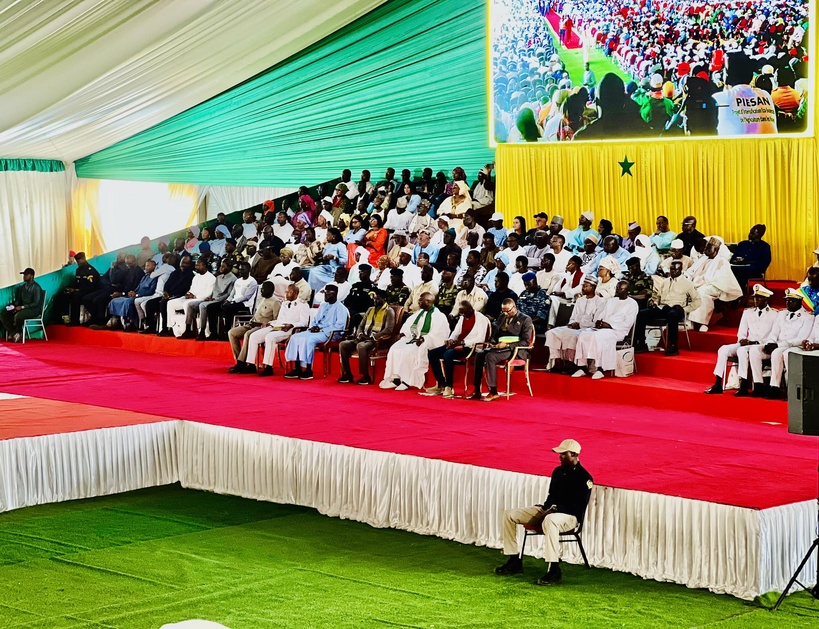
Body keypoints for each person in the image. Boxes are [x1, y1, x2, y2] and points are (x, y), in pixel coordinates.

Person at [495, 438, 593, 586]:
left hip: (570, 517)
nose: (559, 456)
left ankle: (554, 569)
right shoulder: (558, 472)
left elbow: (578, 507)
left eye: (563, 453)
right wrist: (545, 509)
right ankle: (514, 560)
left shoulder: (585, 478)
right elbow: (551, 496)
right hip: (550, 511)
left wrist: (553, 510)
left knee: (550, 520)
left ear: (573, 454)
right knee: (510, 514)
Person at [704, 284, 778, 396]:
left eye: (759, 298)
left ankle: (743, 384)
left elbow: (774, 335)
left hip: (762, 345)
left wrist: (755, 343)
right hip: (748, 343)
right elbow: (742, 332)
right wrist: (742, 339)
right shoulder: (748, 312)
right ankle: (718, 383)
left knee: (742, 351)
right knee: (723, 349)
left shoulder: (775, 314)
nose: (755, 300)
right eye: (755, 297)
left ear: (766, 299)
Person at [747, 288, 813, 399]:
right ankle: (759, 385)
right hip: (777, 345)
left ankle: (777, 387)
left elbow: (801, 338)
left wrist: (778, 345)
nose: (787, 303)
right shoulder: (782, 314)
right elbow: (774, 332)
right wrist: (770, 343)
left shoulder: (808, 317)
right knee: (754, 350)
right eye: (786, 300)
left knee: (777, 353)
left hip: (794, 346)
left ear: (799, 302)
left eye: (791, 301)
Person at [380, 292, 449, 391]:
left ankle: (407, 381)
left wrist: (425, 338)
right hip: (413, 339)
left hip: (426, 342)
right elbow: (409, 325)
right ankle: (396, 379)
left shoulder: (439, 316)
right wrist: (404, 333)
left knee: (409, 352)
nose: (418, 302)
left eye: (421, 300)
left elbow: (440, 334)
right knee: (395, 348)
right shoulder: (419, 313)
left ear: (428, 301)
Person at [572, 281, 638, 379]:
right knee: (583, 334)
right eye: (617, 287)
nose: (617, 290)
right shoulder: (611, 301)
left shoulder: (632, 304)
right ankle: (582, 367)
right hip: (603, 328)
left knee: (598, 337)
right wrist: (600, 322)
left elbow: (628, 323)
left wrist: (610, 325)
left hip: (617, 331)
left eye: (620, 288)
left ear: (627, 291)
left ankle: (600, 369)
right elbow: (602, 315)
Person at [471, 298, 533, 401]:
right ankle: (477, 389)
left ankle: (493, 391)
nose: (505, 314)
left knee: (490, 357)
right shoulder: (502, 317)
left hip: (515, 349)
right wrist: (493, 343)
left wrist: (507, 345)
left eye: (508, 311)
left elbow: (526, 341)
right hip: (500, 347)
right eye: (503, 311)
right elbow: (496, 334)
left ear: (514, 307)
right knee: (480, 355)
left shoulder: (525, 319)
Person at [426, 300, 491, 398]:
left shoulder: (481, 319)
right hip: (458, 344)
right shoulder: (462, 318)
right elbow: (456, 332)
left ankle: (449, 386)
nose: (463, 315)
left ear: (471, 309)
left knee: (448, 354)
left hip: (471, 347)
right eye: (461, 312)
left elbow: (480, 338)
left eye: (464, 312)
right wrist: (450, 340)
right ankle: (441, 384)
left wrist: (463, 343)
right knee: (432, 353)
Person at [634, 261, 700, 356]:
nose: (673, 271)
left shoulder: (687, 283)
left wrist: (685, 309)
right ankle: (641, 342)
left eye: (675, 269)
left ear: (680, 270)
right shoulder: (664, 282)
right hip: (662, 307)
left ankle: (673, 345)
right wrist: (654, 302)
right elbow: (657, 296)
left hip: (677, 308)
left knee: (672, 315)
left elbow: (697, 300)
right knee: (641, 313)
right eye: (671, 269)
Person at [284, 284, 349, 380]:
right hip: (317, 331)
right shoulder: (323, 305)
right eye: (325, 293)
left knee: (309, 340)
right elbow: (315, 320)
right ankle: (297, 369)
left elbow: (339, 326)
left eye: (327, 294)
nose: (325, 296)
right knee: (295, 337)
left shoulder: (341, 308)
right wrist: (314, 326)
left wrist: (322, 329)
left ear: (334, 294)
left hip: (330, 334)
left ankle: (309, 370)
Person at [339, 288, 396, 385]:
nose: (375, 301)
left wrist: (373, 337)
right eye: (374, 299)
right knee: (343, 344)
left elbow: (388, 329)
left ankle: (365, 376)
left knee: (361, 346)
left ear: (384, 299)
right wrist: (360, 334)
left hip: (376, 341)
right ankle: (347, 374)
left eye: (378, 299)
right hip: (363, 337)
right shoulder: (370, 309)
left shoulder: (389, 311)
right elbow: (361, 325)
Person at [546, 277, 605, 373]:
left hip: (588, 329)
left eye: (586, 286)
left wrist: (580, 325)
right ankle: (558, 362)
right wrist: (572, 324)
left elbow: (596, 322)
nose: (583, 288)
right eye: (583, 285)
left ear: (593, 287)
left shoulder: (600, 302)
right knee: (552, 333)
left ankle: (572, 364)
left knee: (573, 335)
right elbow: (573, 317)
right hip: (574, 326)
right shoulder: (580, 300)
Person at [686, 238, 743, 331]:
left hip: (715, 286)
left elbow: (720, 279)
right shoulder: (703, 259)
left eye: (709, 248)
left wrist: (700, 283)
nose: (706, 250)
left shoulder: (722, 261)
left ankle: (701, 323)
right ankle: (689, 322)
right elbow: (691, 271)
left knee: (701, 292)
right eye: (706, 248)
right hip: (699, 283)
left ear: (716, 250)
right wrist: (688, 277)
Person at [255, 284, 312, 376]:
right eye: (286, 292)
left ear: (296, 293)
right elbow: (280, 319)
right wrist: (271, 323)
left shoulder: (303, 305)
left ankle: (268, 367)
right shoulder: (284, 303)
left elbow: (304, 322)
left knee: (270, 337)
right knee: (257, 335)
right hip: (279, 327)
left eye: (289, 292)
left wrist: (292, 325)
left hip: (291, 330)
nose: (287, 294)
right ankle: (252, 364)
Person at [226, 281, 282, 373]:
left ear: (270, 290)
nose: (261, 291)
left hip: (262, 327)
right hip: (252, 324)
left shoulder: (275, 302)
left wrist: (262, 324)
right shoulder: (261, 299)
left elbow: (276, 321)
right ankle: (239, 360)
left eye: (263, 289)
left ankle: (241, 363)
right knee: (232, 333)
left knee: (248, 334)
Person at [163, 257, 216, 338]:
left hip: (201, 299)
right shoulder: (196, 277)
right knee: (170, 303)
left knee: (187, 304)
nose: (196, 267)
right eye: (195, 265)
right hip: (192, 297)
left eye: (198, 265)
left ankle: (188, 329)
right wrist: (189, 294)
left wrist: (194, 296)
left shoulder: (211, 278)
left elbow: (208, 294)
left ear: (204, 266)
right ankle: (170, 327)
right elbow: (192, 289)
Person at [107, 260, 158, 332]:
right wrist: (132, 292)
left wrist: (137, 294)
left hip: (144, 296)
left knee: (128, 302)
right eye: (146, 266)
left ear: (154, 266)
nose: (146, 268)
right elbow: (138, 288)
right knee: (115, 300)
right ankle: (117, 321)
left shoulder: (155, 278)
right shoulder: (145, 277)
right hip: (136, 294)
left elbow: (151, 291)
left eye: (148, 266)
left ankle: (131, 323)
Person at [195, 260, 236, 340]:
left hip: (221, 300)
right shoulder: (218, 277)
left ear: (229, 268)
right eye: (221, 266)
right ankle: (213, 333)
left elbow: (228, 294)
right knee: (209, 307)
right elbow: (214, 290)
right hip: (214, 299)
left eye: (223, 266)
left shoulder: (233, 279)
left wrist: (216, 299)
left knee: (206, 306)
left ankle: (203, 331)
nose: (221, 268)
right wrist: (210, 297)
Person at [1, 268, 45, 342]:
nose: (24, 276)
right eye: (24, 275)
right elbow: (18, 300)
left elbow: (36, 303)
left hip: (34, 310)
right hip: (24, 308)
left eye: (26, 275)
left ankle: (17, 332)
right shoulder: (22, 288)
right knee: (4, 314)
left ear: (31, 276)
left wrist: (21, 307)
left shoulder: (36, 287)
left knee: (19, 315)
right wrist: (13, 306)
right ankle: (15, 332)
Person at [62, 252, 101, 326]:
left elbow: (90, 287)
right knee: (63, 296)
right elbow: (77, 283)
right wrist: (71, 288)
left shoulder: (91, 271)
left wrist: (76, 290)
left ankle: (75, 321)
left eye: (79, 262)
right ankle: (63, 318)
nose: (78, 264)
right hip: (81, 291)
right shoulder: (78, 270)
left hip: (91, 291)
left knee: (76, 296)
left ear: (83, 259)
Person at [731, 224, 772, 288]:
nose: (750, 234)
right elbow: (733, 257)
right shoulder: (742, 244)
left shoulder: (764, 247)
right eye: (750, 232)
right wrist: (736, 260)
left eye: (753, 233)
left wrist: (747, 262)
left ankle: (738, 293)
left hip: (753, 270)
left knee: (740, 273)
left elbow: (765, 262)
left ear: (759, 235)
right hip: (737, 267)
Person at [309, 228, 347, 292]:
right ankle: (313, 291)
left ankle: (330, 284)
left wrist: (334, 257)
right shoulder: (328, 244)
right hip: (326, 266)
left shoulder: (341, 246)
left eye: (328, 235)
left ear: (333, 236)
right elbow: (323, 256)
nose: (326, 237)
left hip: (335, 269)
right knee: (312, 271)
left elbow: (345, 261)